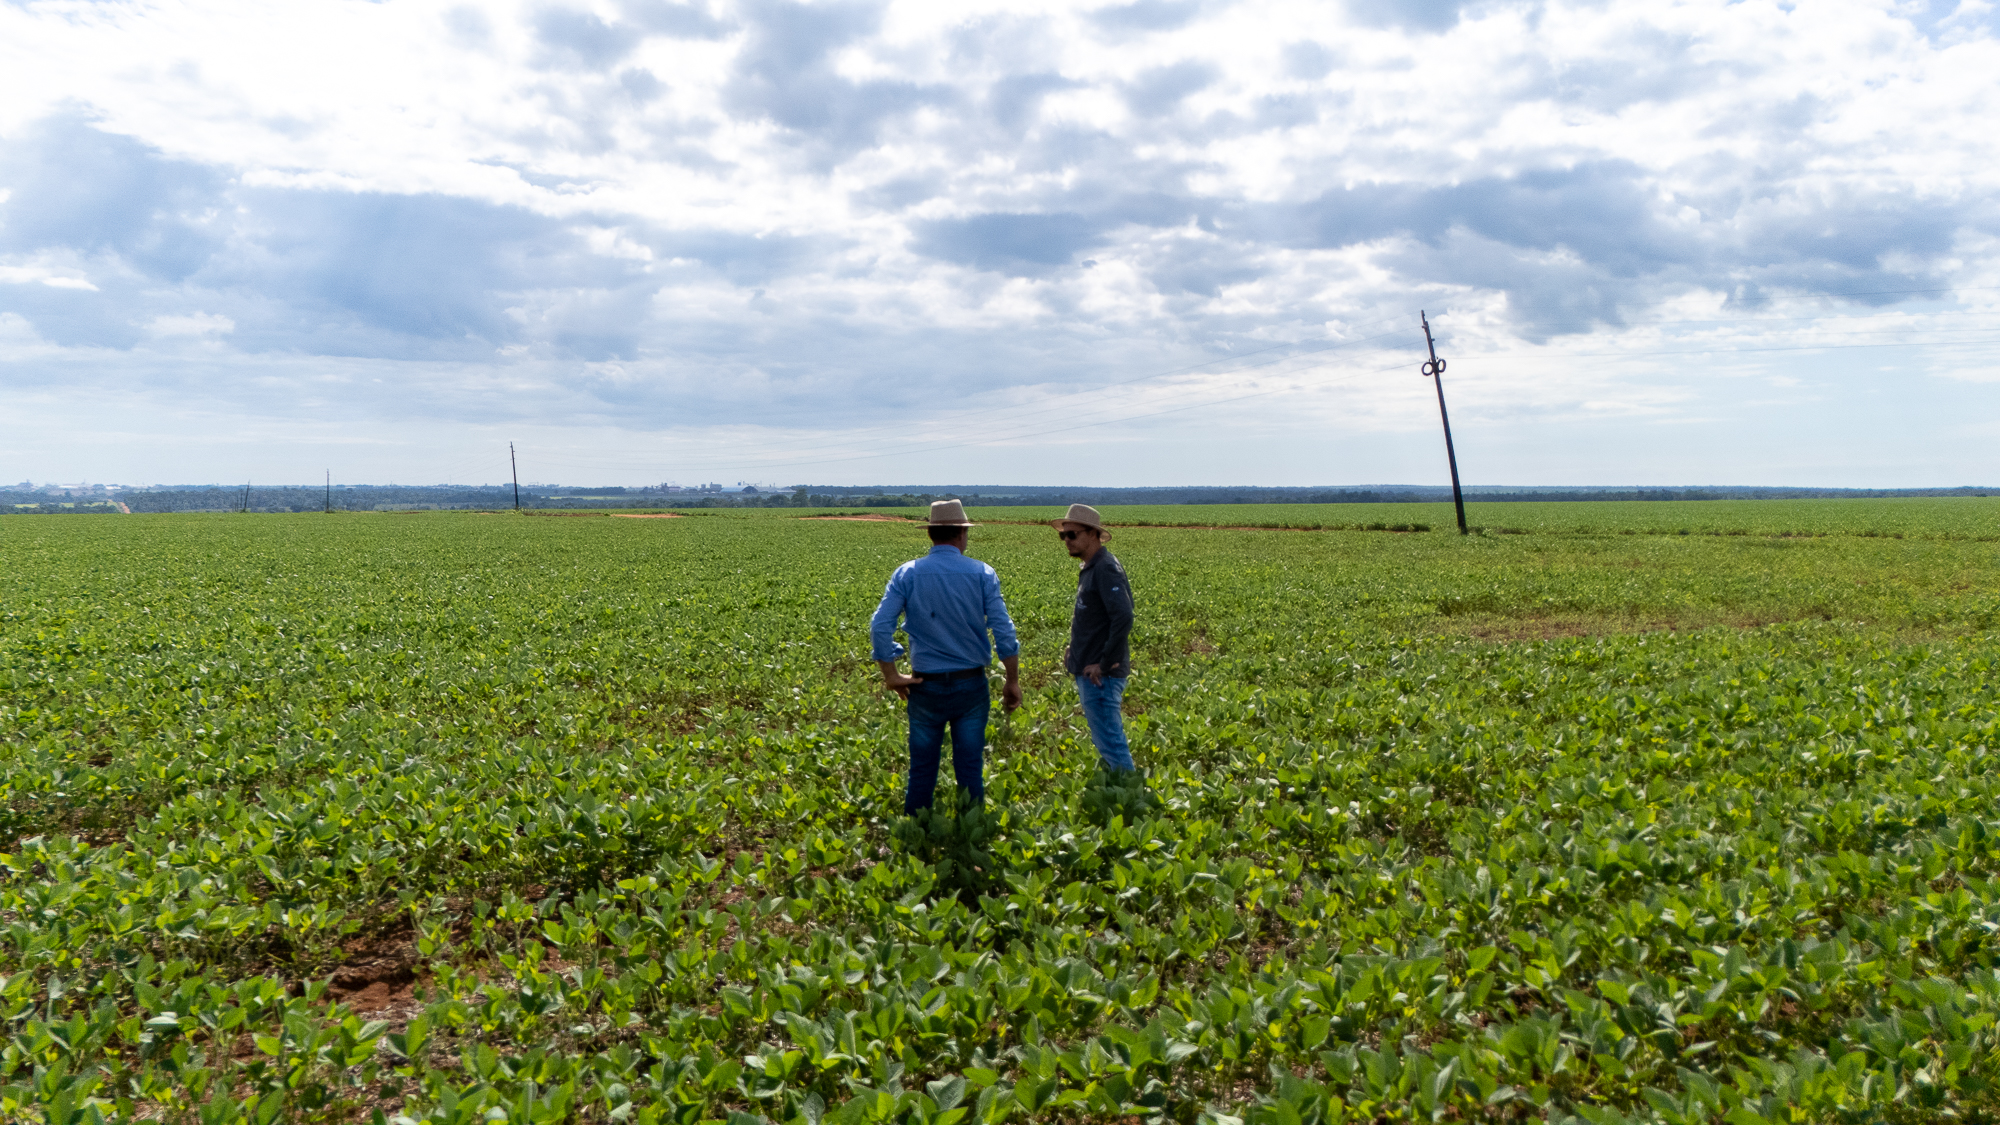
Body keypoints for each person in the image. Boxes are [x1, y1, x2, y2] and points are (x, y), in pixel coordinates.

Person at [870, 499, 1024, 813]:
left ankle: (916, 839)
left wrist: (891, 674)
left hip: (925, 684)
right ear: (961, 535)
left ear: (931, 534)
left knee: (922, 768)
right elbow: (1003, 630)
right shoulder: (982, 573)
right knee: (970, 766)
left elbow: (880, 625)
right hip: (971, 685)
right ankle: (971, 834)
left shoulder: (908, 573)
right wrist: (1012, 680)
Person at [1054, 503, 1135, 773]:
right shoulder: (1092, 566)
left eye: (1072, 535)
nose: (1066, 541)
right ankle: (1118, 793)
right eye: (1062, 536)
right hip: (1090, 668)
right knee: (1105, 741)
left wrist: (1104, 662)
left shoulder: (1105, 568)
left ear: (1092, 534)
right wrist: (1075, 650)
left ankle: (1129, 797)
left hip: (1101, 676)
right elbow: (1096, 618)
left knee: (1112, 744)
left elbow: (1123, 616)